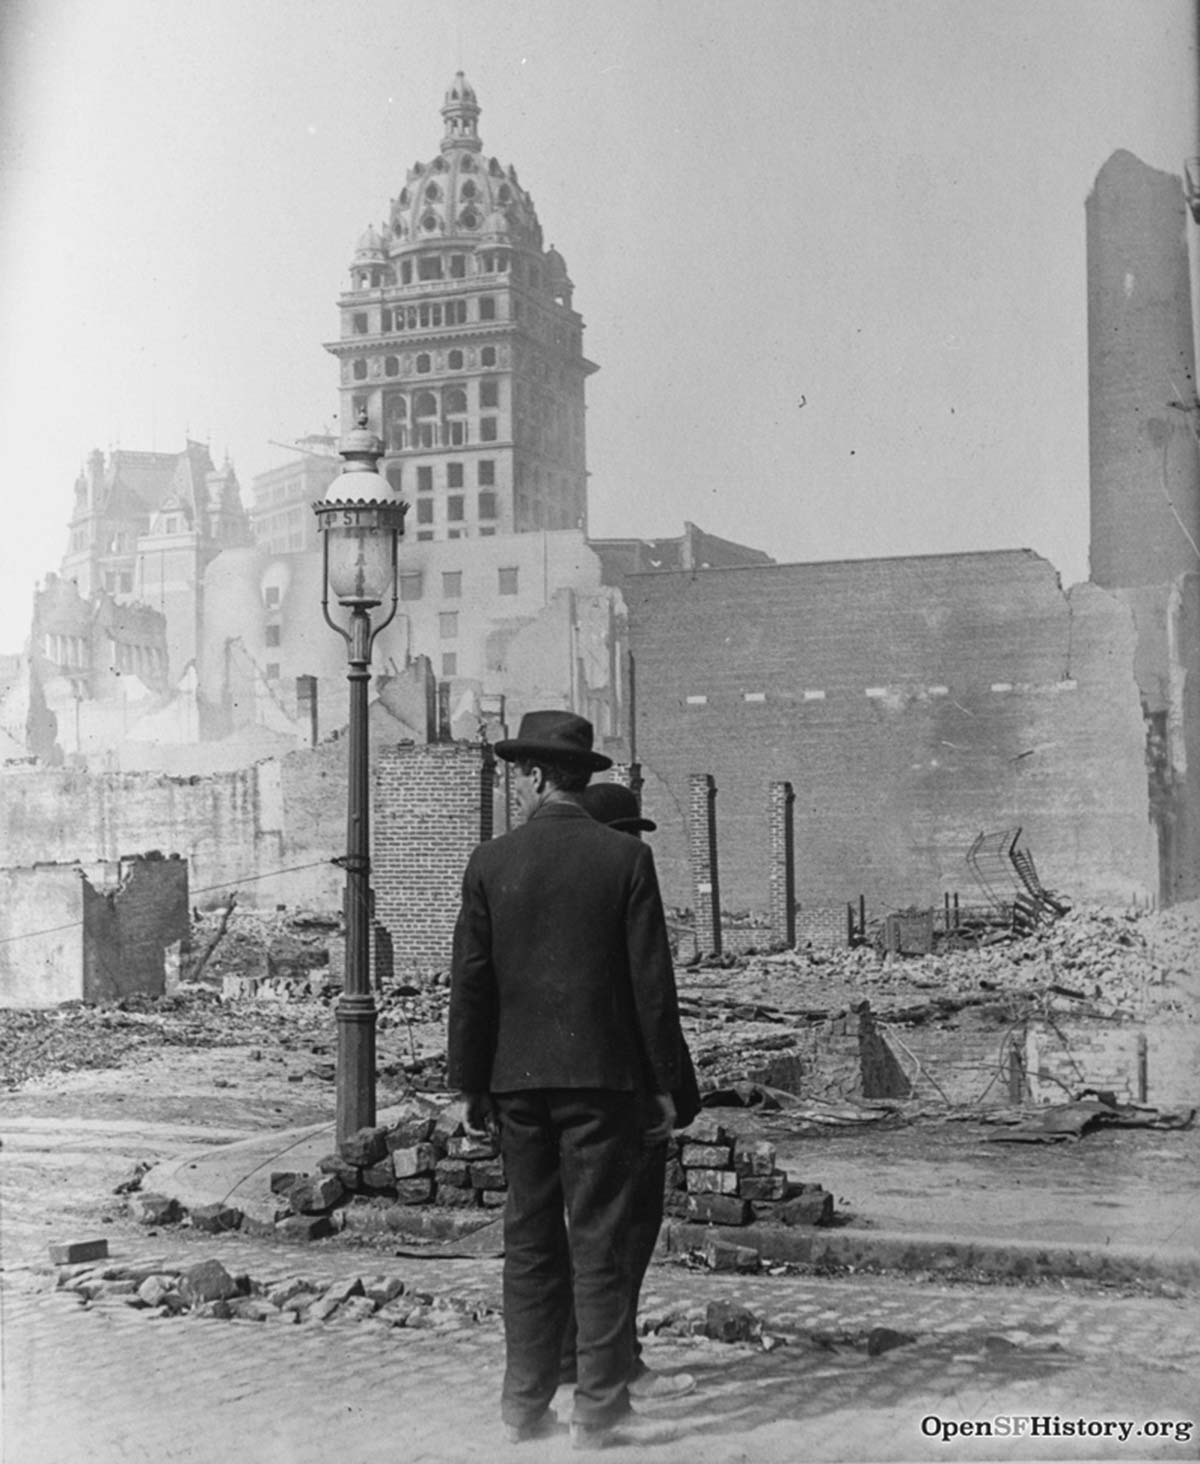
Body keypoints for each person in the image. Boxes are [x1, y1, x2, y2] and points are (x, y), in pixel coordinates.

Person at [448, 710, 687, 1450]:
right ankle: (599, 1411)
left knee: (528, 1242)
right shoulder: (625, 861)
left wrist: (469, 1087)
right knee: (601, 1243)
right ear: (585, 778)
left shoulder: (490, 861)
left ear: (531, 775)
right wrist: (669, 1084)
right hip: (603, 1083)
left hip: (516, 1083)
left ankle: (523, 1409)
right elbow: (652, 987)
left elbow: (472, 985)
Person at [558, 781, 701, 1403]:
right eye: (626, 835)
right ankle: (617, 1364)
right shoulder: (621, 893)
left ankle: (574, 1359)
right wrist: (667, 1087)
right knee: (626, 1231)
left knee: (582, 1235)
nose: (634, 849)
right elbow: (652, 998)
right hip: (626, 1092)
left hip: (558, 1092)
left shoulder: (555, 896)